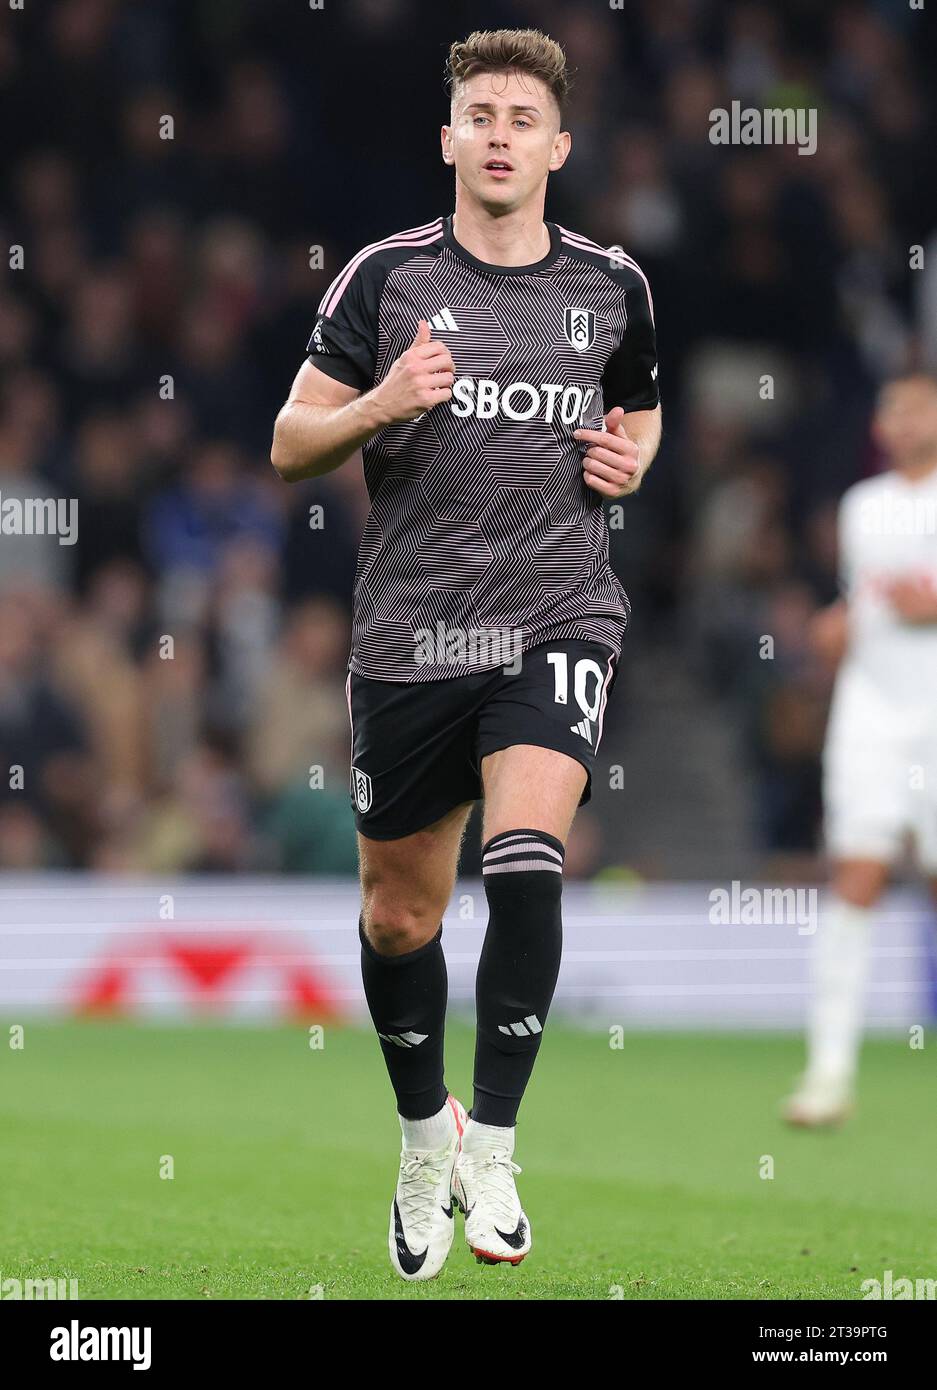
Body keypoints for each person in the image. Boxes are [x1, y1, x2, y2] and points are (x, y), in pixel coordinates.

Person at [271, 27, 661, 1278]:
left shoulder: (612, 286)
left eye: (518, 117)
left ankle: (491, 1141)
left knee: (529, 857)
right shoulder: (383, 278)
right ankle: (420, 1141)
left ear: (556, 145)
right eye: (476, 114)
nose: (497, 134)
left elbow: (639, 409)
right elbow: (288, 440)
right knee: (401, 917)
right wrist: (383, 402)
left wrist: (630, 459)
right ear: (449, 139)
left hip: (557, 613)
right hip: (413, 635)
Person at [784, 373, 937, 1127]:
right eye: (891, 409)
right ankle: (827, 1074)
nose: (900, 421)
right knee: (854, 873)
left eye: (915, 407)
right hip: (870, 710)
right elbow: (865, 598)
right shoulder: (861, 506)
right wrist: (836, 625)